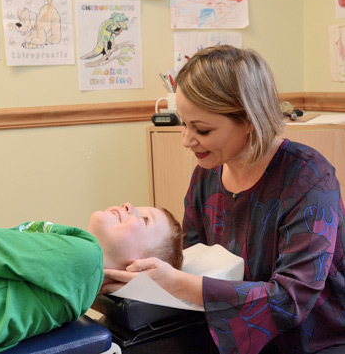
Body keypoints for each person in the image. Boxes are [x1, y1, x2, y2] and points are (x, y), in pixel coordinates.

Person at [101, 45, 345, 354]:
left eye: (201, 129)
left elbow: (291, 300)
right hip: (229, 330)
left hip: (315, 340)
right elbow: (193, 260)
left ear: (248, 120)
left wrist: (174, 282)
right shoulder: (208, 175)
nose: (187, 140)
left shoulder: (308, 176)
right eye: (184, 124)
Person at [0, 203, 182, 353]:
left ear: (139, 268)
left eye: (145, 220)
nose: (128, 205)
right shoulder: (80, 276)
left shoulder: (86, 256)